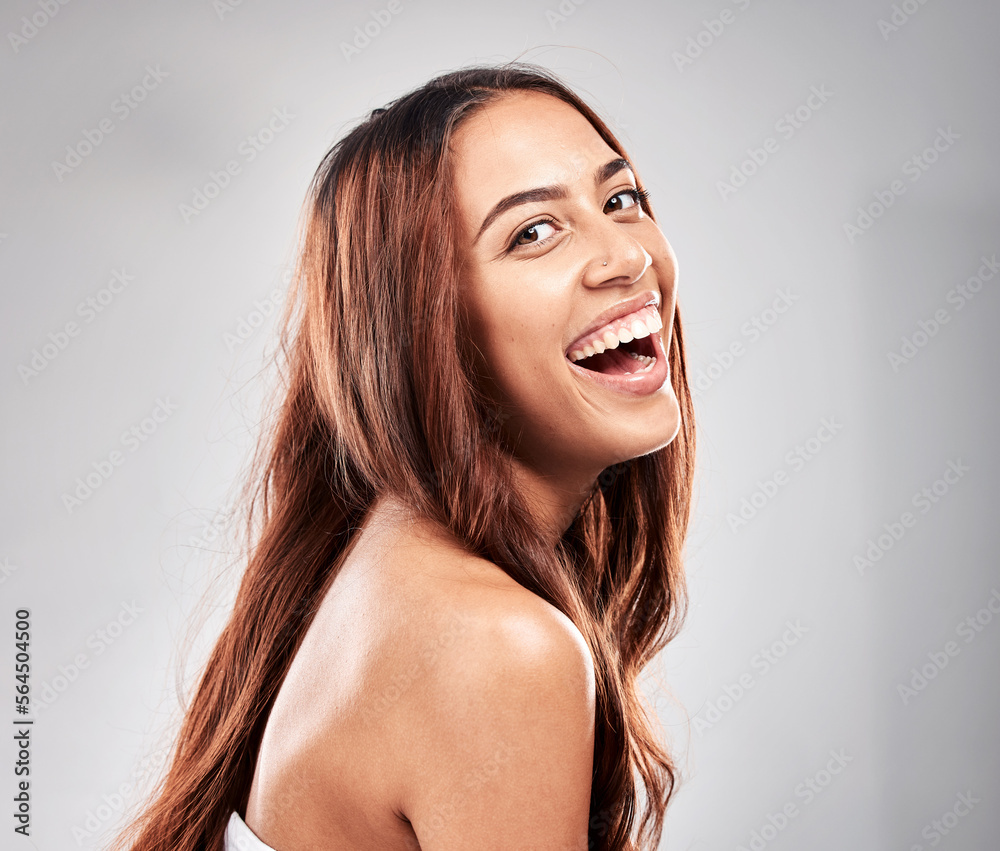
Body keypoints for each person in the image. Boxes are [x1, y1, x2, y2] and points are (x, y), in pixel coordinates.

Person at [112, 62, 696, 851]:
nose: (626, 256)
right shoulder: (496, 644)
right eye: (533, 232)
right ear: (429, 325)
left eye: (620, 200)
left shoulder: (376, 562)